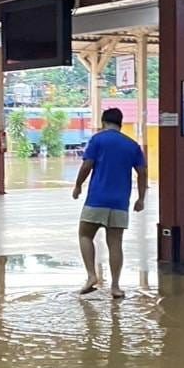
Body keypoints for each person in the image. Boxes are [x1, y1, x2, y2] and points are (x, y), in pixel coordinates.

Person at [72, 108, 148, 298]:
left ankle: (91, 275)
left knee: (85, 235)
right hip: (120, 202)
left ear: (103, 122)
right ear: (120, 123)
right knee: (115, 243)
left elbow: (87, 165)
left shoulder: (97, 140)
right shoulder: (132, 145)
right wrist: (141, 198)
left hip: (97, 199)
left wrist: (78, 185)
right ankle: (115, 287)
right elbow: (142, 172)